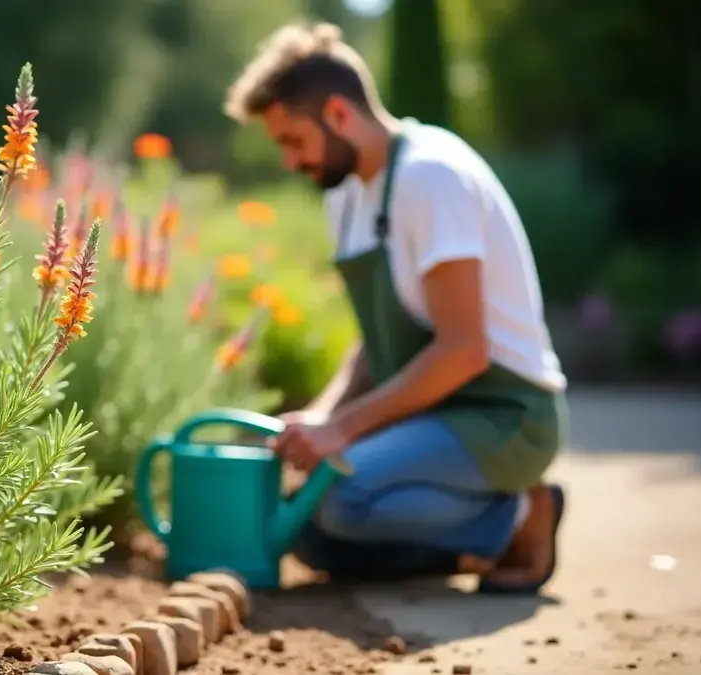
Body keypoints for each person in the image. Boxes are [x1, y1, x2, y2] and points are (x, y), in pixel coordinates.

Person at [222, 22, 569, 593]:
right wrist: (323, 417)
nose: (288, 161)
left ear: (337, 114)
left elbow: (464, 351)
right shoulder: (349, 195)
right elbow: (376, 341)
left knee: (341, 499)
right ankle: (474, 537)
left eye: (292, 141)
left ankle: (521, 517)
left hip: (506, 416)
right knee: (313, 533)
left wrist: (343, 430)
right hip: (435, 414)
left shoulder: (430, 176)